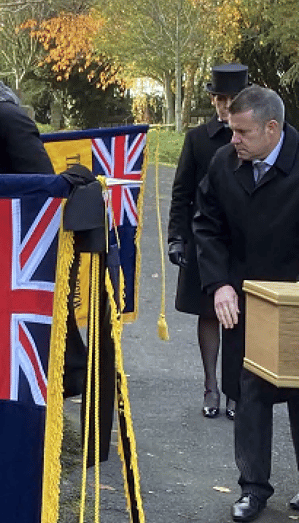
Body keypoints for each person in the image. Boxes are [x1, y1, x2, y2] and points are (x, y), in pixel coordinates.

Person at [193, 85, 299, 522]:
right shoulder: (224, 163)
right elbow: (207, 224)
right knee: (250, 393)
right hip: (244, 298)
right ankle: (253, 488)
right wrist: (219, 283)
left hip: (295, 300)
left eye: (242, 131)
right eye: (231, 129)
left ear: (272, 129)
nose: (232, 138)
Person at [168, 63, 249, 420]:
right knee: (208, 312)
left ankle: (236, 388)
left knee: (241, 314)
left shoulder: (252, 135)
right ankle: (210, 384)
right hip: (206, 237)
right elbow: (181, 192)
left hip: (244, 239)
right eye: (219, 99)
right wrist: (176, 237)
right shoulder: (198, 138)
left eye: (231, 99)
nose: (223, 106)